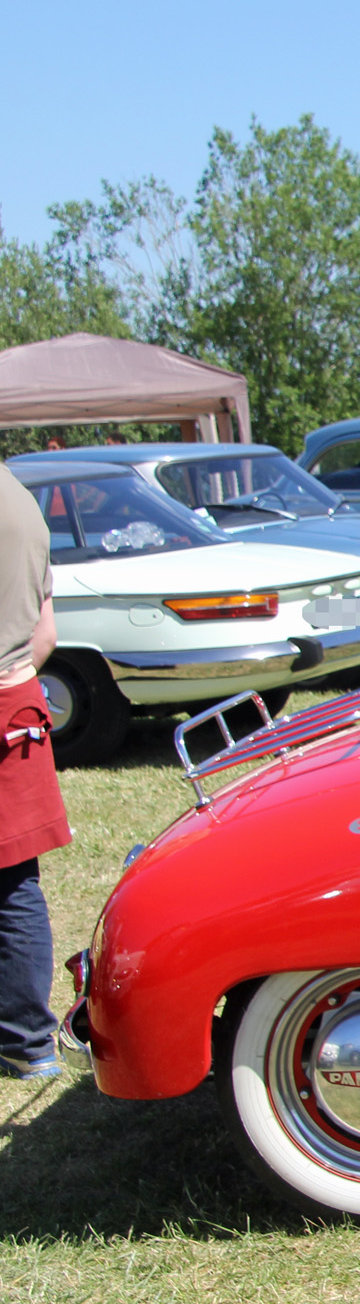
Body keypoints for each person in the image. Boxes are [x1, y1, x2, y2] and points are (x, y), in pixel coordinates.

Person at [1, 462, 70, 1080]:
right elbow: (45, 630)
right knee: (15, 880)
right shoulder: (21, 500)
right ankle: (29, 1043)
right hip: (17, 694)